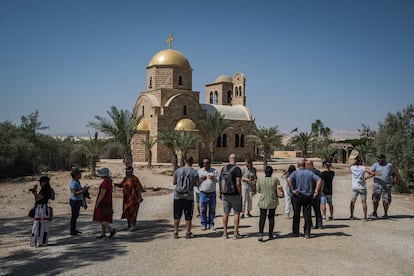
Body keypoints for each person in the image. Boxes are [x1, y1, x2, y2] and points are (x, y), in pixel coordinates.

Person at [288, 160, 322, 238]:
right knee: (307, 214)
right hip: (308, 195)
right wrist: (316, 191)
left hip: (297, 195)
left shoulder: (295, 173)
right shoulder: (310, 173)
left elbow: (288, 179)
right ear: (305, 165)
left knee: (296, 214)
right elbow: (319, 180)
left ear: (298, 165)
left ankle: (296, 231)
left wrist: (292, 189)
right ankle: (307, 232)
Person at [172, 156, 200, 239]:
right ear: (192, 162)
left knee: (177, 215)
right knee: (188, 215)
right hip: (188, 196)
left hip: (177, 196)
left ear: (184, 161)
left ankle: (176, 232)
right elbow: (197, 184)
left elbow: (174, 182)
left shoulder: (178, 171)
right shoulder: (194, 172)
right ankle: (188, 232)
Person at [220, 153, 243, 240]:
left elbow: (220, 179)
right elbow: (238, 183)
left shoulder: (224, 168)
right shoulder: (237, 169)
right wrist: (240, 193)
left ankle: (225, 233)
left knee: (226, 213)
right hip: (234, 194)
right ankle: (235, 233)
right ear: (236, 159)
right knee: (236, 213)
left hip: (225, 193)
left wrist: (220, 192)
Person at [115, 166, 144, 231]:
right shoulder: (126, 178)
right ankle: (129, 224)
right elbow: (122, 185)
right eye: (126, 171)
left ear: (130, 172)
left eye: (127, 171)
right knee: (126, 210)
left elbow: (138, 188)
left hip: (133, 198)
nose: (126, 173)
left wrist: (139, 197)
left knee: (133, 211)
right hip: (126, 199)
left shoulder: (135, 179)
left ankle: (133, 224)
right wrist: (117, 185)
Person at [256, 166, 280, 241]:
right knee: (271, 217)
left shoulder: (260, 179)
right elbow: (279, 188)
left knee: (262, 217)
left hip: (263, 200)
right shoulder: (275, 179)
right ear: (272, 172)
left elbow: (258, 190)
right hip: (273, 200)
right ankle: (270, 234)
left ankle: (260, 234)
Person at [369, 154, 397, 219]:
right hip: (377, 185)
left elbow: (393, 173)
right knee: (375, 199)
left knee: (386, 200)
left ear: (384, 159)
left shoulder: (389, 165)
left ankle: (385, 214)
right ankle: (375, 213)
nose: (379, 160)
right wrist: (375, 173)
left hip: (387, 185)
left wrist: (394, 180)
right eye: (378, 159)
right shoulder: (375, 165)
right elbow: (370, 172)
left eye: (381, 159)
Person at [30, 176, 54, 247]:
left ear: (44, 182)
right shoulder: (46, 189)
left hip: (42, 209)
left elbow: (37, 199)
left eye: (41, 182)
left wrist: (34, 191)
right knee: (41, 225)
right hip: (42, 208)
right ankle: (41, 241)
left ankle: (39, 241)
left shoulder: (45, 189)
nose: (40, 183)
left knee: (39, 225)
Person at [93, 167, 116, 239]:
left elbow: (102, 193)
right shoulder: (109, 181)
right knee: (104, 218)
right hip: (107, 202)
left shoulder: (105, 182)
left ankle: (111, 230)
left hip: (103, 202)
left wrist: (97, 202)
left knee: (101, 219)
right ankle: (103, 233)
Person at [198, 157, 219, 230]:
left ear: (210, 163)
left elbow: (218, 180)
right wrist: (200, 179)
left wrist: (214, 178)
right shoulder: (200, 171)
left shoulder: (214, 171)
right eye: (204, 163)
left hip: (212, 193)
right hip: (203, 193)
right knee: (203, 210)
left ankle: (211, 224)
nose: (205, 164)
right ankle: (203, 224)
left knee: (212, 210)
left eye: (207, 163)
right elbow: (196, 182)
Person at [69, 168, 89, 236]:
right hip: (74, 201)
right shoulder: (74, 183)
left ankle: (74, 229)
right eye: (79, 174)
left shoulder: (77, 182)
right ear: (75, 175)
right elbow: (75, 193)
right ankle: (72, 231)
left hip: (77, 201)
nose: (80, 175)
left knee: (75, 215)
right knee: (74, 216)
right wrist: (83, 190)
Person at [306, 160, 324, 229]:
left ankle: (309, 224)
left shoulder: (307, 173)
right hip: (317, 193)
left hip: (309, 193)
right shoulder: (318, 172)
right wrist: (320, 192)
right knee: (317, 210)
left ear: (308, 165)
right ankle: (319, 224)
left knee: (307, 210)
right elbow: (322, 182)